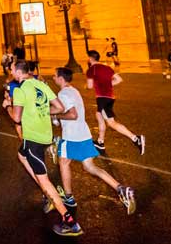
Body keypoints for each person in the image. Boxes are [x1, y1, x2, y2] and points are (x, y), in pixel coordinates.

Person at [7, 60, 83, 236]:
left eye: (11, 70)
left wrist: (8, 106)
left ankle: (69, 221)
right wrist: (41, 111)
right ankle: (48, 194)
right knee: (21, 155)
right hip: (46, 136)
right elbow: (60, 107)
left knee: (44, 180)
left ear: (19, 72)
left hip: (33, 139)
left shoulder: (19, 90)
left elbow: (16, 118)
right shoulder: (40, 84)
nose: (11, 72)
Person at [51, 67, 137, 214]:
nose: (53, 78)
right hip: (84, 134)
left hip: (72, 136)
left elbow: (73, 115)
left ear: (61, 78)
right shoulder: (73, 90)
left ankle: (68, 197)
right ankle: (121, 189)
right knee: (90, 167)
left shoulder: (63, 93)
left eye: (54, 76)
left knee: (63, 162)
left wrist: (55, 116)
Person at [86, 50, 145, 155]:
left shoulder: (91, 69)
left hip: (102, 98)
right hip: (110, 97)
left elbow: (90, 86)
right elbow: (118, 79)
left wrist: (88, 86)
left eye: (88, 58)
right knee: (100, 116)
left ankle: (135, 139)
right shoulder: (107, 68)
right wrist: (108, 84)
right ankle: (100, 142)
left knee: (110, 122)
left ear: (90, 58)